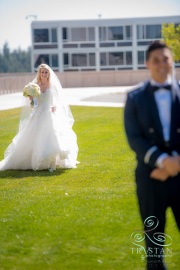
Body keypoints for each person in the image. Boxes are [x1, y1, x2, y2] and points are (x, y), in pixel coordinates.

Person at [124, 41, 180, 270]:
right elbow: (134, 138)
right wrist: (163, 161)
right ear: (147, 64)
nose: (160, 64)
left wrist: (177, 161)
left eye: (165, 58)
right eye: (155, 60)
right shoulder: (135, 97)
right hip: (150, 179)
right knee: (154, 245)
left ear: (172, 61)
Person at [0, 64, 79, 172]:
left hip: (50, 113)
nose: (44, 74)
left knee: (53, 136)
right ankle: (38, 159)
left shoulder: (52, 85)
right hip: (39, 113)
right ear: (39, 73)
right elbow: (33, 105)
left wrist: (54, 107)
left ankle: (52, 163)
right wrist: (31, 99)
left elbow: (57, 100)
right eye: (42, 72)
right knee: (36, 138)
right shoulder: (34, 86)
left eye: (46, 72)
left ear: (48, 74)